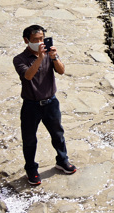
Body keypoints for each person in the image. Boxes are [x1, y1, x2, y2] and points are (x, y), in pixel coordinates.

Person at [13, 25, 77, 186]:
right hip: (31, 105)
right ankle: (31, 169)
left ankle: (62, 161)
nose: (40, 42)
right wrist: (40, 58)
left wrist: (54, 57)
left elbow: (61, 71)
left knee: (58, 135)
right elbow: (28, 75)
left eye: (42, 39)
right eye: (36, 40)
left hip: (51, 102)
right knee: (29, 139)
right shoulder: (19, 59)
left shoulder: (49, 54)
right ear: (26, 40)